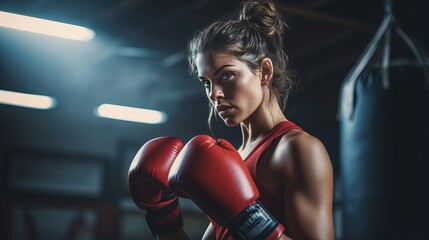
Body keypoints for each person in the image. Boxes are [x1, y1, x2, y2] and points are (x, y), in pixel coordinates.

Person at [128, 0, 334, 239]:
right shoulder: (232, 160)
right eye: (206, 82)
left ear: (265, 72)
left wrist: (248, 218)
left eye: (226, 75)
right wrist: (165, 219)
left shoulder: (297, 149)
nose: (214, 94)